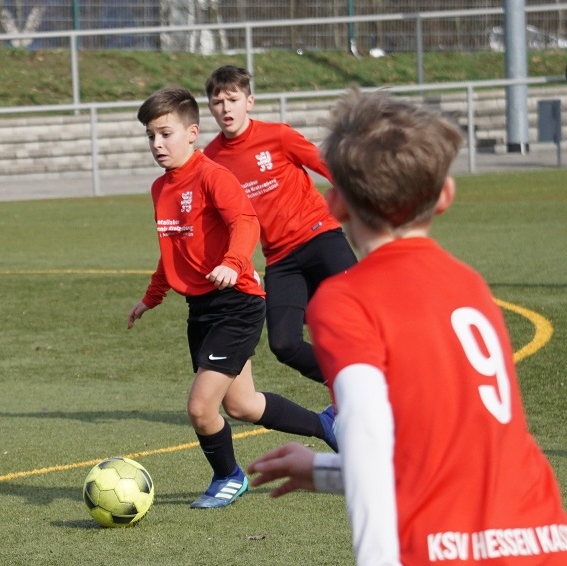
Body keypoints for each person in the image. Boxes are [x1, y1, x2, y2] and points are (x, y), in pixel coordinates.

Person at [247, 89, 567, 564]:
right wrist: (327, 471)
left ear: (335, 204)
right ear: (445, 196)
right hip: (541, 534)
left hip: (447, 546)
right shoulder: (470, 284)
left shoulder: (346, 299)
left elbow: (369, 444)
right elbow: (448, 451)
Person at [128, 86, 337, 509]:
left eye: (165, 134)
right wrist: (152, 296)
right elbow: (173, 248)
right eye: (150, 136)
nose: (157, 144)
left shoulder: (213, 176)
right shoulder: (160, 188)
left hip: (237, 303)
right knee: (242, 405)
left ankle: (228, 476)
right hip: (201, 309)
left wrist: (233, 262)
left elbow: (245, 221)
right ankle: (326, 425)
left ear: (192, 133)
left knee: (200, 408)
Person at [202, 65, 357, 385]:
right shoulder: (211, 159)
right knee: (284, 343)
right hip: (280, 258)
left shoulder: (278, 136)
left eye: (233, 100)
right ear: (210, 107)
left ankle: (404, 373)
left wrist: (363, 201)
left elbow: (328, 166)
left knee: (362, 312)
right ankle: (346, 384)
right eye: (218, 102)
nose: (226, 108)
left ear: (249, 102)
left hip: (320, 236)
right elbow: (218, 219)